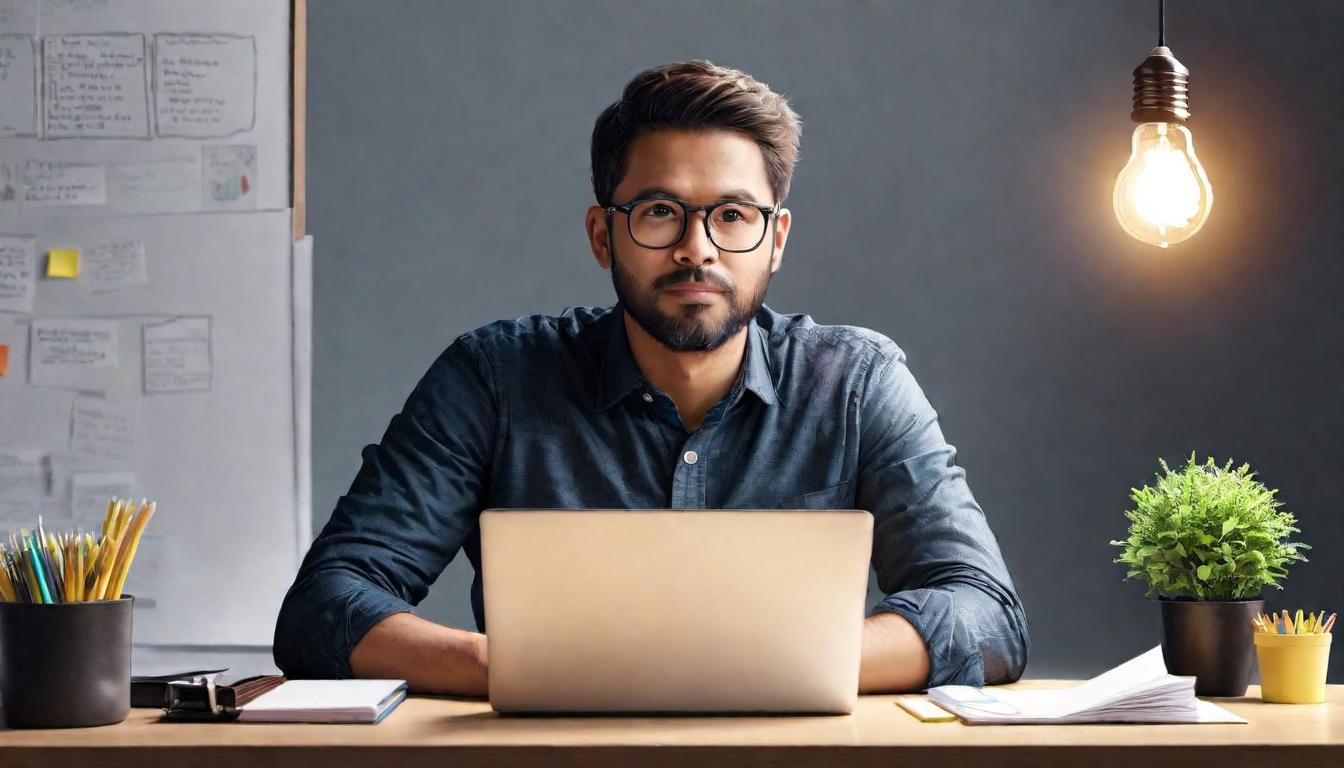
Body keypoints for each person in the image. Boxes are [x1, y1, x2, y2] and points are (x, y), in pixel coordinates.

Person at [274, 60, 1029, 696]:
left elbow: (986, 615)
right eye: (661, 212)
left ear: (776, 240)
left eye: (734, 215)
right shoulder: (494, 378)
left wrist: (776, 666)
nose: (697, 250)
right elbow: (323, 608)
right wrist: (511, 668)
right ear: (604, 234)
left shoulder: (857, 383)